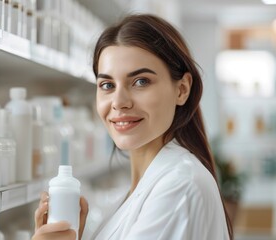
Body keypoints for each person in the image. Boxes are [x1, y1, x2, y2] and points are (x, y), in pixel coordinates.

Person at [32, 13, 233, 240]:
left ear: (182, 89)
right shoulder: (143, 187)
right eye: (107, 85)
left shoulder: (179, 185)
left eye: (140, 82)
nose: (119, 102)